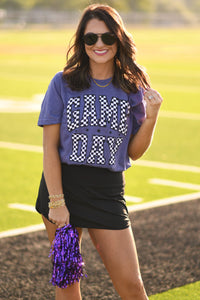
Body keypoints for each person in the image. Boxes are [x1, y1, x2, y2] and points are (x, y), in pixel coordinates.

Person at [36, 4, 163, 300]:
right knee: (67, 284)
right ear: (82, 42)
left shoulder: (131, 89)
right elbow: (49, 149)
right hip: (63, 188)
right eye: (91, 38)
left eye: (107, 37)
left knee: (132, 287)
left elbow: (134, 152)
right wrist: (57, 202)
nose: (100, 45)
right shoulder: (63, 83)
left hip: (107, 190)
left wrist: (153, 115)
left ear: (119, 40)